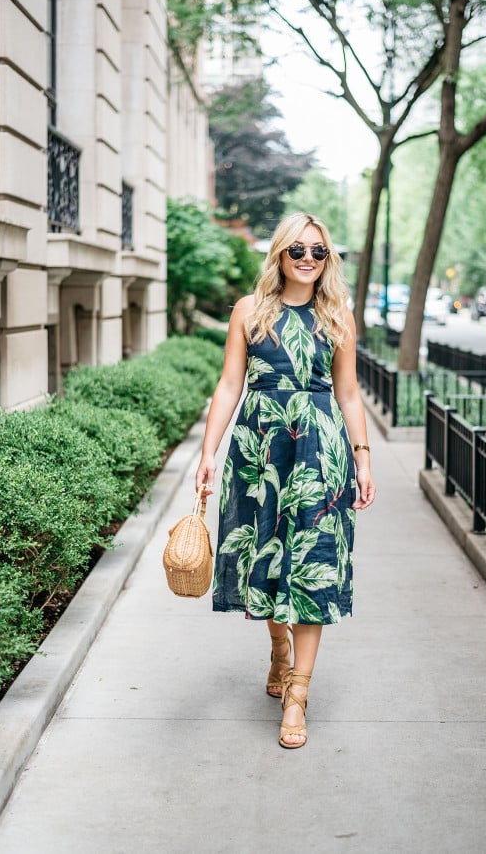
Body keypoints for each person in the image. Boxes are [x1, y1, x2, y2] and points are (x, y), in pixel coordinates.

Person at [195, 212, 376, 749]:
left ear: (328, 261)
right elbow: (230, 384)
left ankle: (298, 694)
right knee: (265, 557)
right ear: (279, 253)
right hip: (259, 449)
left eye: (318, 252)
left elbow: (348, 393)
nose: (307, 260)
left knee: (313, 562)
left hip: (320, 450)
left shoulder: (337, 313)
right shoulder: (250, 311)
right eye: (297, 249)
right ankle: (279, 648)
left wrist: (363, 458)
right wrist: (208, 452)